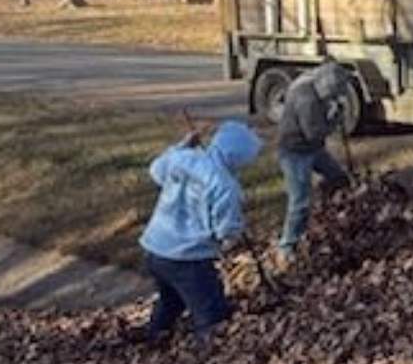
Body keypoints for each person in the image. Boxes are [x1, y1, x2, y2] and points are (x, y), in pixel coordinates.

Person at [136, 119, 262, 347]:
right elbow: (227, 229)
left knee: (171, 300)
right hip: (186, 258)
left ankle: (154, 339)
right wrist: (231, 240)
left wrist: (184, 144)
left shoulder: (183, 158)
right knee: (210, 309)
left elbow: (156, 170)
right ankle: (210, 354)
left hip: (155, 249)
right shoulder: (225, 185)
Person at [277, 60, 354, 262]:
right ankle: (287, 246)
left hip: (314, 149)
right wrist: (334, 119)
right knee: (299, 201)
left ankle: (329, 216)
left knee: (338, 178)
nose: (335, 97)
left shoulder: (312, 81)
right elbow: (314, 133)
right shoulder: (307, 100)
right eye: (334, 93)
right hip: (296, 152)